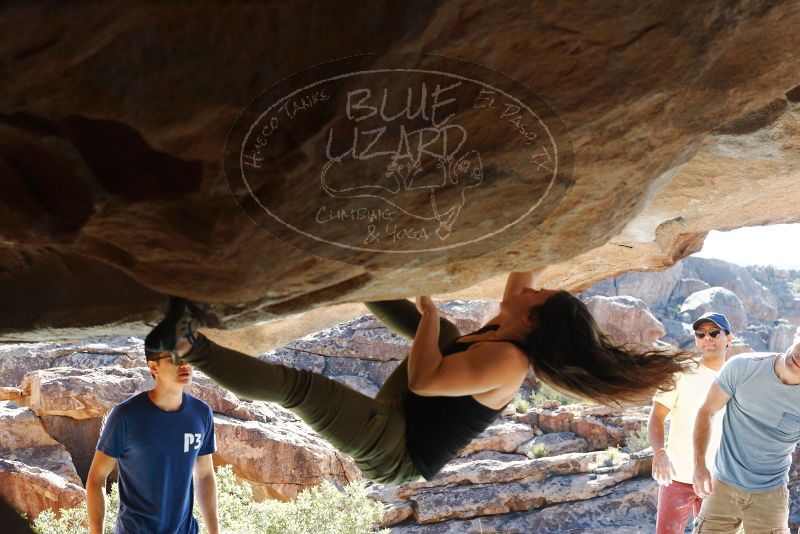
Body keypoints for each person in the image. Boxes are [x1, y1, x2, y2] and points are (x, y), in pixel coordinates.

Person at [145, 270, 696, 485]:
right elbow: (522, 268)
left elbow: (430, 380)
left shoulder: (509, 360)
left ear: (533, 320)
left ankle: (188, 344)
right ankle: (350, 274)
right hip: (404, 412)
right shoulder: (513, 323)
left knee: (301, 390)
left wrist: (428, 314)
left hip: (397, 451)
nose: (529, 289)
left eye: (538, 296)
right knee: (451, 330)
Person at [85, 344, 219, 534]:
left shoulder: (201, 413)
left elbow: (205, 474)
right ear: (153, 367)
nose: (185, 363)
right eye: (173, 358)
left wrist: (215, 531)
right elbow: (96, 479)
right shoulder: (125, 416)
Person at [692, 327, 800, 533]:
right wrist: (699, 465)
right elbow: (706, 410)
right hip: (722, 486)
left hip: (771, 494)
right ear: (796, 335)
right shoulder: (743, 367)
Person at [649, 312, 734, 534]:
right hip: (677, 478)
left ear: (729, 338)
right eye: (701, 333)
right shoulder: (679, 373)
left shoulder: (737, 377)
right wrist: (659, 452)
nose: (708, 338)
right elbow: (656, 416)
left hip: (720, 481)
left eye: (714, 332)